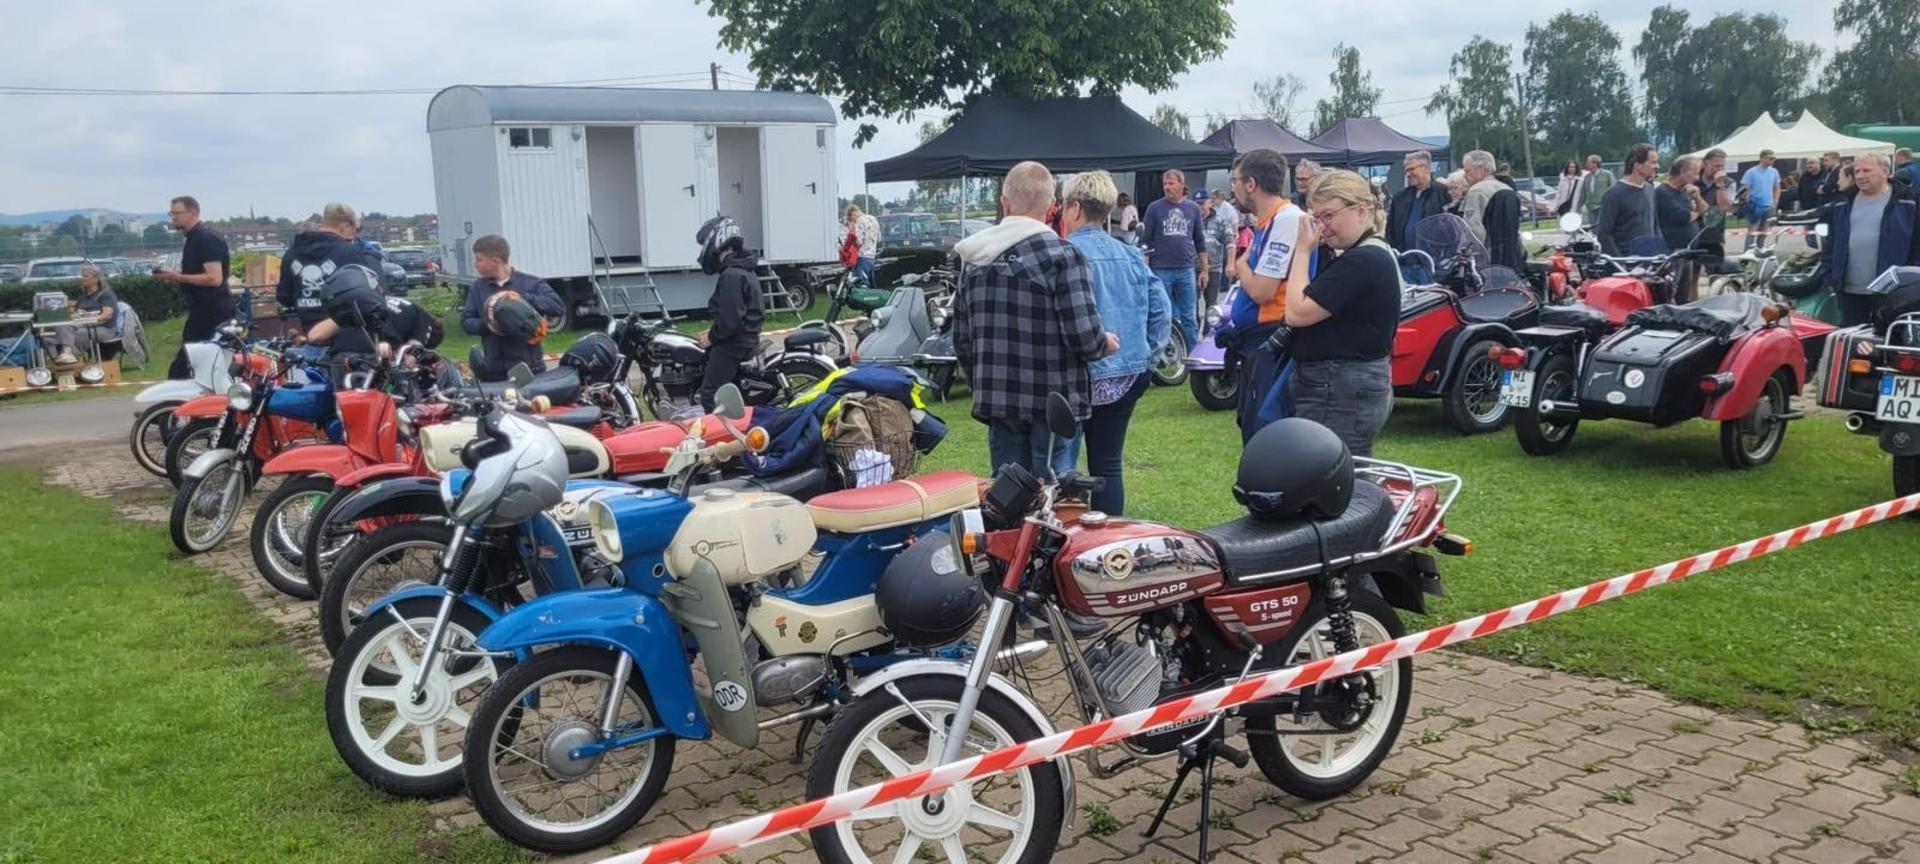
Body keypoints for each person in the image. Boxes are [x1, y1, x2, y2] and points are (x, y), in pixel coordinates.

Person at [952, 160, 1112, 478]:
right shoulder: (1063, 256)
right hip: (1055, 404)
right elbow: (1084, 338)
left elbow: (962, 341)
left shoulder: (973, 259)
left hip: (999, 400)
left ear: (1004, 203)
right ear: (1052, 206)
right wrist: (1104, 342)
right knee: (1056, 504)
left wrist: (983, 382)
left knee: (1009, 501)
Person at [1057, 170, 1171, 515]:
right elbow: (1161, 309)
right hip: (1127, 373)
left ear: (1074, 208)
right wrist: (1148, 356)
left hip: (1076, 375)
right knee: (1108, 464)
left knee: (1065, 468)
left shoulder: (1062, 254)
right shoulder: (1130, 254)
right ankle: (1110, 539)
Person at [1286, 170, 1400, 457]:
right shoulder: (1365, 255)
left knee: (1337, 480)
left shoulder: (1364, 260)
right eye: (1316, 218)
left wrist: (1302, 251)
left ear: (1360, 210)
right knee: (1340, 475)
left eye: (1328, 216)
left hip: (1340, 385)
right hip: (1344, 383)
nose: (1321, 227)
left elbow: (1296, 313)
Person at [1226, 148, 1314, 442]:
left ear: (1251, 184)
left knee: (1266, 431)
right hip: (1258, 341)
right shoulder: (1268, 222)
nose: (1234, 188)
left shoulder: (1286, 219)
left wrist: (1241, 266)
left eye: (1236, 181)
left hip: (1272, 339)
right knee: (1253, 426)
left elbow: (1263, 290)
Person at [1822, 152, 1920, 327]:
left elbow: (1917, 243)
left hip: (1894, 293)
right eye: (1857, 171)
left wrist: (1911, 281)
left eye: (1866, 170)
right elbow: (1831, 243)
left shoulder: (1908, 201)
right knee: (1853, 345)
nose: (1859, 176)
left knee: (1889, 344)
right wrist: (1830, 276)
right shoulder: (1842, 202)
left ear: (1885, 171)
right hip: (1849, 292)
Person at [459, 234, 564, 381]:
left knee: (527, 404)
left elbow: (557, 306)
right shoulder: (478, 288)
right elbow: (466, 322)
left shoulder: (531, 283)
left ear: (495, 261)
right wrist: (490, 324)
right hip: (493, 372)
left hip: (529, 370)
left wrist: (523, 300)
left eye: (479, 259)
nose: (475, 264)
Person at [154, 195, 232, 379]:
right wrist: (177, 275)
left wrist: (179, 277)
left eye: (177, 213)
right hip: (202, 310)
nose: (173, 218)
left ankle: (181, 403)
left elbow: (215, 279)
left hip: (212, 312)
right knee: (197, 365)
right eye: (171, 213)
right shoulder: (193, 239)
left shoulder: (205, 239)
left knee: (184, 366)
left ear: (192, 212)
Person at [692, 215, 764, 411]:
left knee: (710, 395)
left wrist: (711, 336)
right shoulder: (743, 269)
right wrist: (713, 331)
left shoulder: (731, 275)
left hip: (734, 343)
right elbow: (735, 312)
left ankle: (719, 438)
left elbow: (730, 320)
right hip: (745, 337)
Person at [278, 203, 379, 339]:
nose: (355, 235)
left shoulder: (291, 254)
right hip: (347, 341)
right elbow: (368, 296)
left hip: (308, 337)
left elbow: (284, 297)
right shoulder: (350, 252)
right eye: (354, 229)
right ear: (344, 225)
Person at [1140, 168, 1208, 355]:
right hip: (1161, 269)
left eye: (1171, 183)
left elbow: (1200, 241)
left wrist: (1204, 270)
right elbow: (1145, 241)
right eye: (1165, 184)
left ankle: (1194, 355)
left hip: (1186, 268)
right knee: (1166, 314)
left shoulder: (1193, 208)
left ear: (1181, 184)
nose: (1167, 187)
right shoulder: (1155, 208)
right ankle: (1171, 354)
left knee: (1189, 316)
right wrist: (1146, 270)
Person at [1657, 155, 1710, 302]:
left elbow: (1705, 210)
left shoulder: (1686, 191)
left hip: (1687, 251)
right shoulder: (1663, 192)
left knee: (1684, 294)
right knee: (1671, 292)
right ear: (1682, 172)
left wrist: (1698, 198)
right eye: (1694, 173)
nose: (1697, 178)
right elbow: (1682, 217)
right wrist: (1695, 213)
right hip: (1673, 251)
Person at [1596, 144, 1661, 256]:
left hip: (1649, 263)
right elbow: (1604, 234)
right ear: (1638, 165)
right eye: (1653, 162)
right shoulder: (1614, 194)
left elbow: (1654, 225)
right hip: (1625, 264)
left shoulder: (1650, 189)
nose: (1657, 166)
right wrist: (1621, 264)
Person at [1388, 150, 1451, 253]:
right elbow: (1390, 230)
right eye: (1406, 171)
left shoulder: (1443, 193)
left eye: (1412, 169)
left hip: (1432, 261)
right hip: (1404, 260)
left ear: (1426, 168)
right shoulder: (1399, 198)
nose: (1408, 174)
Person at [1739, 149, 1783, 251]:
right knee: (1752, 231)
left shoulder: (1774, 172)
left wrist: (1775, 201)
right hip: (1755, 205)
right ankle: (1748, 252)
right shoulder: (1751, 172)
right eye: (1770, 158)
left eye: (1774, 158)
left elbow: (1777, 187)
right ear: (1762, 158)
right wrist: (1747, 201)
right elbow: (1746, 188)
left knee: (1764, 232)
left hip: (1769, 205)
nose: (1773, 160)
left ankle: (1760, 251)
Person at [1458, 150, 1505, 246]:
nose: (1464, 175)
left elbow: (1473, 231)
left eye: (1467, 171)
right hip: (1510, 254)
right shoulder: (1506, 188)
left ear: (1482, 168)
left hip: (1488, 254)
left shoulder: (1476, 192)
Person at [1200, 191, 1236, 309]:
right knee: (1190, 306)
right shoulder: (1191, 220)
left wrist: (1230, 264)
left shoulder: (1220, 221)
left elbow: (1230, 242)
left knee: (1212, 304)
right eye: (1197, 204)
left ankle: (1209, 328)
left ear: (1210, 203)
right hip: (1193, 268)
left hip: (1214, 268)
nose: (1200, 207)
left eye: (1202, 204)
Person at [1576, 154, 1616, 227]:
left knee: (1601, 227)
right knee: (1594, 229)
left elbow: (1614, 190)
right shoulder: (1587, 177)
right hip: (1591, 208)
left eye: (1588, 162)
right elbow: (1583, 194)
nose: (1586, 164)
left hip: (1603, 207)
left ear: (1595, 163)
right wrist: (1578, 207)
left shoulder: (1607, 174)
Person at [845, 204, 880, 287]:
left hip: (863, 256)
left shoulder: (860, 221)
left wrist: (851, 231)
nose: (853, 221)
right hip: (872, 255)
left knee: (861, 283)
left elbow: (859, 241)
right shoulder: (873, 219)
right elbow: (879, 238)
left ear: (853, 213)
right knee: (871, 284)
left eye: (851, 219)